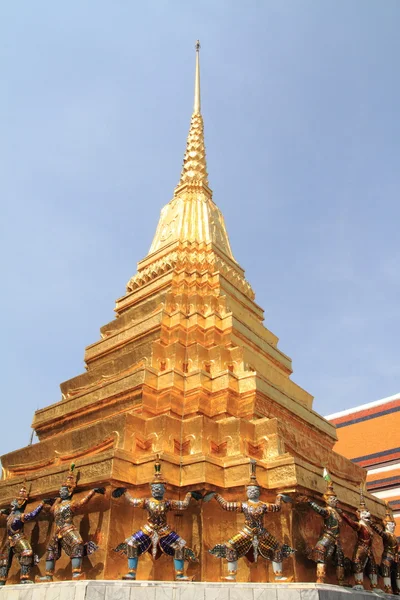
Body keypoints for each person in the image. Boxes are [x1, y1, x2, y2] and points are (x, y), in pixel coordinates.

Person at [113, 457, 200, 581]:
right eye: (154, 489)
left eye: (159, 488)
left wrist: (189, 495)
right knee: (131, 543)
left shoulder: (168, 503)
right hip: (148, 529)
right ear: (151, 489)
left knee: (180, 545)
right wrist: (124, 492)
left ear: (164, 489)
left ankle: (180, 574)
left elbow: (183, 505)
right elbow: (133, 502)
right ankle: (131, 573)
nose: (156, 490)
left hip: (164, 530)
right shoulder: (147, 502)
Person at [208, 460, 294, 581]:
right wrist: (216, 496)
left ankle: (279, 576)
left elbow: (276, 508)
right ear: (247, 492)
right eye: (250, 490)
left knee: (277, 548)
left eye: (255, 490)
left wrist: (279, 497)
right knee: (229, 546)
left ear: (259, 492)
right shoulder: (243, 505)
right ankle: (231, 575)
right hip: (246, 531)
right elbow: (226, 506)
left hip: (261, 532)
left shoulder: (263, 505)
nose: (252, 491)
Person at [37, 463, 105, 581]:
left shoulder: (71, 504)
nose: (61, 492)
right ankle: (48, 575)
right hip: (58, 531)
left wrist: (92, 492)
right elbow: (51, 510)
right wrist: (54, 499)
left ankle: (76, 574)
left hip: (68, 529)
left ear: (69, 492)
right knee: (51, 550)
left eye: (63, 491)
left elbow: (82, 502)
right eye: (60, 491)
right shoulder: (57, 506)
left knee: (78, 543)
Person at [297, 469, 345, 585]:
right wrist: (309, 501)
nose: (334, 500)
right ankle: (320, 578)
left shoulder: (336, 512)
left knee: (340, 559)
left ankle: (341, 581)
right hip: (328, 536)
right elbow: (319, 510)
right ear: (327, 500)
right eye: (331, 499)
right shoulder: (328, 511)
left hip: (336, 539)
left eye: (335, 499)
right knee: (320, 550)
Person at [0, 483, 50, 584]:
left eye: (15, 502)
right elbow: (32, 514)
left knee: (11, 558)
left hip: (13, 539)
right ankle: (10, 579)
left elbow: (32, 515)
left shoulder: (13, 516)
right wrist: (41, 504)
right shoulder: (14, 515)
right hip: (15, 539)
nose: (12, 503)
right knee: (24, 553)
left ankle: (22, 578)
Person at [341, 488, 378, 590]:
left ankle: (374, 586)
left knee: (373, 567)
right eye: (365, 513)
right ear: (360, 515)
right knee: (357, 563)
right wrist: (343, 514)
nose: (368, 515)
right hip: (361, 548)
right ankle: (359, 583)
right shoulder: (360, 526)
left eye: (368, 513)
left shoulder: (369, 527)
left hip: (369, 550)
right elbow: (351, 523)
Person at [371, 504, 399, 594]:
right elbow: (380, 532)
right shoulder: (386, 535)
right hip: (387, 556)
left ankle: (397, 589)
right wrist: (372, 524)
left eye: (393, 524)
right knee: (386, 571)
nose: (392, 526)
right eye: (390, 524)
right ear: (386, 525)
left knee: (397, 574)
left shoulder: (394, 537)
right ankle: (388, 588)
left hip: (395, 557)